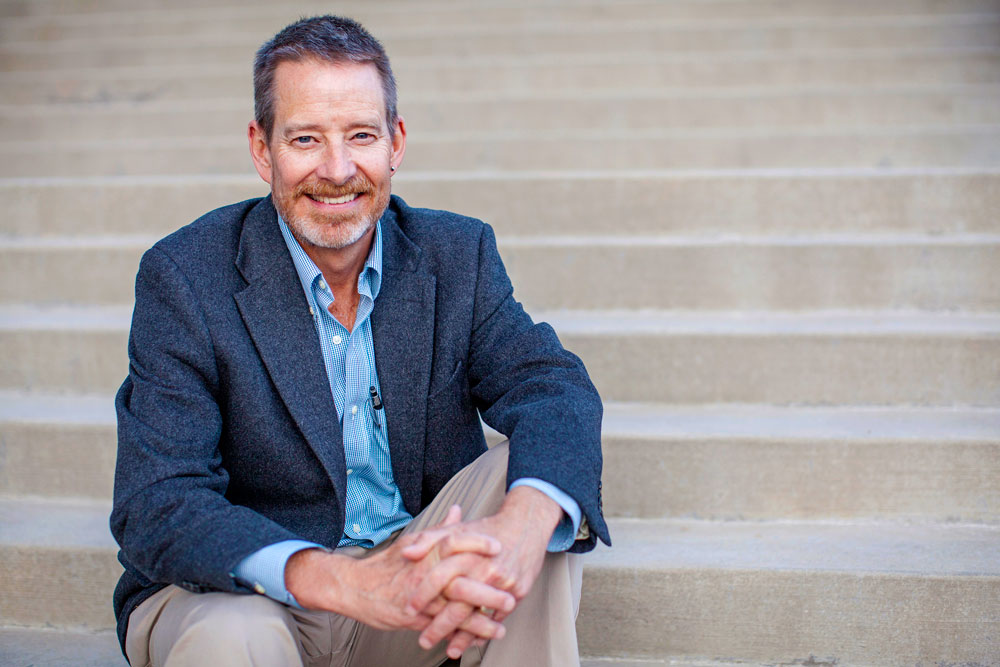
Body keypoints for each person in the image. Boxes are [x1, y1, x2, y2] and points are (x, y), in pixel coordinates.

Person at [110, 14, 609, 667]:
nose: (338, 169)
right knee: (236, 635)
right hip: (251, 593)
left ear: (396, 141)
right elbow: (157, 500)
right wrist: (343, 580)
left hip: (411, 596)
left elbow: (554, 389)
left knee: (534, 490)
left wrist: (520, 525)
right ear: (263, 149)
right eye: (307, 138)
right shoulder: (186, 276)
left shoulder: (456, 254)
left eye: (362, 135)